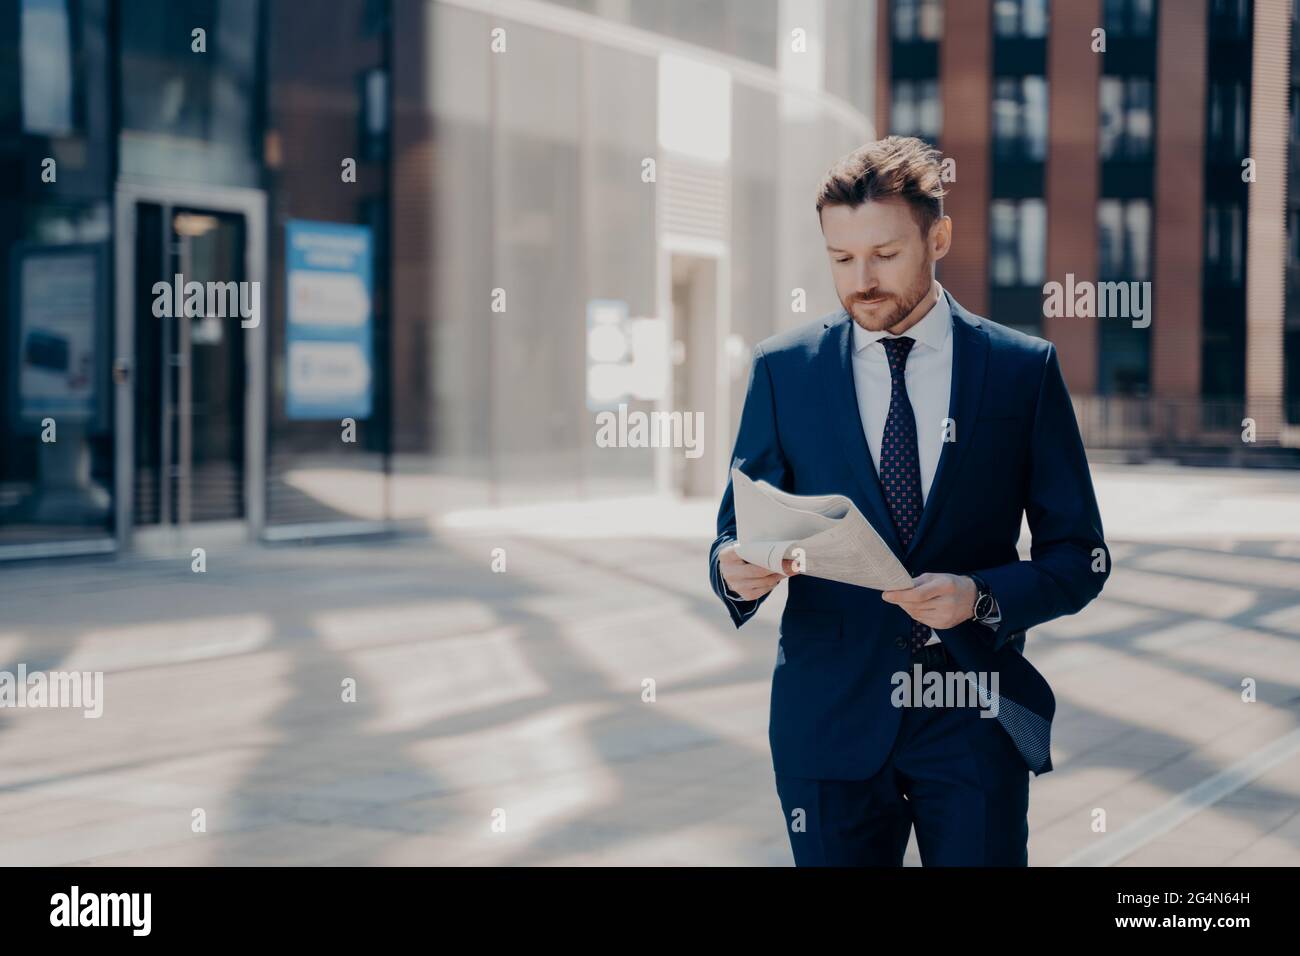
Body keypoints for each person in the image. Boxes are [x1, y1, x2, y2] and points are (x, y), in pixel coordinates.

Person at [708, 135, 1110, 866]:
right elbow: (734, 534)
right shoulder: (783, 372)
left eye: (885, 256)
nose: (861, 280)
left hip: (970, 719)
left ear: (939, 238)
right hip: (827, 724)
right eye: (840, 259)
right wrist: (736, 571)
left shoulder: (1021, 373)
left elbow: (1080, 556)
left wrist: (980, 595)